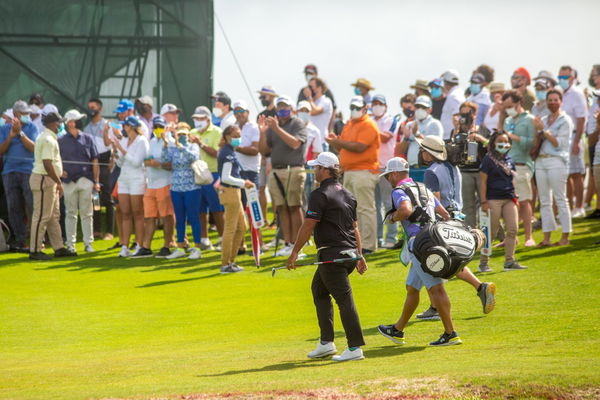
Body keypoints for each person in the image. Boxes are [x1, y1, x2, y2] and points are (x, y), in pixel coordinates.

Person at [286, 152, 368, 361]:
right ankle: (326, 343)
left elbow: (308, 225)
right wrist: (359, 255)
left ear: (324, 170)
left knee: (344, 300)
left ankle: (355, 347)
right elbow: (355, 228)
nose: (314, 171)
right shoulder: (348, 194)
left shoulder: (319, 194)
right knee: (319, 290)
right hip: (348, 255)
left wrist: (294, 252)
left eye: (316, 167)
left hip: (332, 256)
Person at [377, 157, 462, 346]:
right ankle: (398, 330)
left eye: (388, 176)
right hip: (432, 238)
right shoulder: (423, 188)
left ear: (395, 174)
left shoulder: (399, 191)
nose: (388, 179)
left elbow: (405, 210)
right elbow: (444, 214)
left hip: (420, 245)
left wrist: (392, 218)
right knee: (412, 288)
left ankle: (451, 333)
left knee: (437, 289)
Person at [414, 136, 496, 320]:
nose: (421, 153)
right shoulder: (453, 167)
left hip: (441, 221)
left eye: (423, 150)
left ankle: (438, 306)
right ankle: (478, 288)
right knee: (450, 262)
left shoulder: (431, 172)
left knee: (431, 261)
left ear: (429, 153)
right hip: (458, 217)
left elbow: (435, 200)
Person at [326, 96, 380, 253]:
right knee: (351, 211)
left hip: (364, 171)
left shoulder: (368, 124)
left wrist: (338, 142)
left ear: (365, 108)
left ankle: (368, 245)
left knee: (364, 209)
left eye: (357, 108)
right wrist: (335, 142)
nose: (354, 110)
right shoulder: (349, 124)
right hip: (349, 171)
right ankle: (356, 243)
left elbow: (359, 147)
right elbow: (343, 148)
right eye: (352, 107)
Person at [259, 96, 308, 257]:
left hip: (293, 169)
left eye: (285, 107)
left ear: (291, 109)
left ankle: (297, 246)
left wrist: (277, 129)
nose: (282, 110)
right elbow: (264, 151)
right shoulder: (274, 126)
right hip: (276, 170)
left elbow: (295, 143)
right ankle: (287, 243)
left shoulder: (297, 123)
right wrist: (263, 133)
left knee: (294, 206)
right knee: (282, 208)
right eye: (279, 107)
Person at [28, 111, 77, 260]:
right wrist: (58, 182)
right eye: (58, 122)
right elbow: (47, 163)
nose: (60, 125)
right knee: (41, 216)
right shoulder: (48, 139)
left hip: (47, 179)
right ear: (53, 123)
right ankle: (35, 250)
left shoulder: (46, 137)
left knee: (53, 216)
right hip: (45, 179)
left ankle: (58, 247)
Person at [479, 131, 527, 271]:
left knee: (513, 229)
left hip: (509, 198)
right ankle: (483, 263)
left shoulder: (509, 159)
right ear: (493, 143)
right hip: (493, 199)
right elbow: (482, 182)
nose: (504, 144)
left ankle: (509, 262)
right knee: (491, 233)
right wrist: (483, 201)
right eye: (500, 141)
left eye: (506, 142)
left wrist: (515, 195)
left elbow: (512, 179)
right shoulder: (488, 160)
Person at [532, 89, 573, 247]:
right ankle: (546, 238)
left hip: (557, 160)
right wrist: (537, 130)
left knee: (560, 199)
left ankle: (565, 237)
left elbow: (558, 144)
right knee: (544, 201)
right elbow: (536, 141)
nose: (552, 102)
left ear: (561, 101)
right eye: (550, 100)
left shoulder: (565, 120)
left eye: (556, 100)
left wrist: (543, 130)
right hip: (540, 160)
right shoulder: (543, 119)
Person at [59, 109, 100, 253]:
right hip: (68, 181)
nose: (72, 123)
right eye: (70, 121)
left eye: (75, 121)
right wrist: (60, 172)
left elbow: (95, 160)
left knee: (87, 214)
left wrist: (96, 181)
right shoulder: (61, 140)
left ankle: (88, 244)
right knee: (70, 213)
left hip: (86, 179)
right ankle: (71, 245)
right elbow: (56, 159)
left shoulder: (88, 138)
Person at [0, 100, 38, 252]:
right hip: (9, 172)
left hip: (28, 171)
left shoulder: (32, 127)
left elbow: (33, 148)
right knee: (13, 206)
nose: (27, 115)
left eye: (28, 113)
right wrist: (11, 136)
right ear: (15, 114)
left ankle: (36, 239)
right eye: (24, 113)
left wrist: (20, 133)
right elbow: (1, 150)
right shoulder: (4, 129)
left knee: (32, 205)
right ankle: (20, 240)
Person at [161, 122, 202, 260]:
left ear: (188, 135)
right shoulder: (173, 148)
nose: (182, 136)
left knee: (193, 217)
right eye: (179, 134)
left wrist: (181, 146)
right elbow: (165, 160)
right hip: (176, 187)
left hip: (192, 187)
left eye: (184, 134)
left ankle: (197, 247)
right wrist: (166, 144)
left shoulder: (193, 146)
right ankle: (180, 247)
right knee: (179, 218)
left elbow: (194, 157)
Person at [500, 90, 536, 247]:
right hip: (506, 166)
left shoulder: (529, 120)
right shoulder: (507, 120)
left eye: (510, 105)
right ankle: (510, 238)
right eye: (506, 106)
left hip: (522, 164)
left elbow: (532, 143)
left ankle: (529, 237)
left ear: (518, 102)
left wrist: (513, 137)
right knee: (508, 203)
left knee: (524, 201)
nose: (508, 109)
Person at [218, 125, 255, 273]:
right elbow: (225, 177)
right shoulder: (227, 153)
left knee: (241, 227)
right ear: (227, 137)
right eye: (235, 136)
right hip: (230, 192)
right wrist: (243, 183)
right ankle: (225, 264)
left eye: (239, 135)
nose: (238, 138)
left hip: (234, 191)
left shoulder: (229, 151)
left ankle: (231, 261)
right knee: (230, 228)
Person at [136, 116, 175, 258]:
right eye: (155, 127)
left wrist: (158, 164)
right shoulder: (152, 141)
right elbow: (147, 159)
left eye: (160, 127)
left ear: (165, 127)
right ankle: (146, 247)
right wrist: (149, 162)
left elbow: (173, 164)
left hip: (165, 183)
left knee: (167, 216)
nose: (158, 129)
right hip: (151, 183)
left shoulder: (171, 142)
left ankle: (167, 245)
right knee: (149, 217)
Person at [112, 116, 149, 258]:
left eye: (125, 125)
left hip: (137, 179)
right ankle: (125, 246)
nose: (123, 127)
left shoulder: (142, 141)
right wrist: (117, 153)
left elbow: (136, 162)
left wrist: (122, 150)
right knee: (125, 213)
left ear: (131, 127)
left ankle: (139, 245)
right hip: (124, 179)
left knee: (138, 213)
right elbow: (121, 163)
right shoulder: (124, 140)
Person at [190, 106, 224, 251]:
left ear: (208, 119)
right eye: (196, 119)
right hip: (196, 175)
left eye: (201, 118)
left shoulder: (217, 132)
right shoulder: (192, 132)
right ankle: (204, 239)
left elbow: (217, 153)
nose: (198, 121)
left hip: (213, 174)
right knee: (200, 209)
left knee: (217, 209)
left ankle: (222, 238)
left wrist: (200, 144)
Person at [452, 101, 490, 229]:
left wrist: (479, 138)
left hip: (481, 172)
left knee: (486, 202)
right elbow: (451, 148)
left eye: (468, 114)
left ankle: (493, 233)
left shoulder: (483, 130)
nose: (465, 117)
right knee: (468, 205)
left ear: (475, 114)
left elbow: (492, 146)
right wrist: (456, 129)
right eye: (462, 114)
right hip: (464, 172)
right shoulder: (456, 131)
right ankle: (472, 232)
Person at [558, 65, 588, 218]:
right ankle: (568, 207)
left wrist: (577, 142)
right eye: (560, 77)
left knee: (576, 174)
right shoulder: (560, 93)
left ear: (572, 77)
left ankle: (579, 207)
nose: (562, 80)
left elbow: (582, 119)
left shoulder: (576, 93)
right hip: (562, 138)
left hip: (575, 136)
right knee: (566, 175)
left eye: (565, 77)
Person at [84, 98, 115, 241]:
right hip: (92, 163)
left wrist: (112, 160)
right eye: (89, 107)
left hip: (105, 162)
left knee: (107, 198)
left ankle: (110, 231)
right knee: (94, 197)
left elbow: (112, 144)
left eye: (93, 107)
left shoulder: (107, 124)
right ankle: (96, 230)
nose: (91, 110)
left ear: (100, 109)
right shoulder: (87, 128)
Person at [233, 100, 261, 251]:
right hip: (237, 172)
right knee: (240, 210)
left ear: (247, 112)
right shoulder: (234, 127)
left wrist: (236, 148)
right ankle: (241, 244)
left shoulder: (254, 127)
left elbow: (255, 150)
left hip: (250, 172)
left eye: (241, 111)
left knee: (253, 210)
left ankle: (259, 245)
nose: (239, 114)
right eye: (236, 112)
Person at [371, 94, 399, 249]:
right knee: (375, 206)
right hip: (372, 168)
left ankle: (391, 237)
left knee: (389, 204)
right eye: (374, 103)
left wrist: (369, 129)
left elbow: (386, 137)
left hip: (386, 168)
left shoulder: (391, 120)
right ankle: (378, 237)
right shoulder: (370, 120)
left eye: (379, 103)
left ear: (385, 106)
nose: (377, 106)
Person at [257, 85, 278, 228]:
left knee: (273, 190)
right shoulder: (261, 115)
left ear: (271, 97)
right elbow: (260, 136)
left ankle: (276, 220)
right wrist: (262, 155)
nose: (261, 99)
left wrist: (272, 158)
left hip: (274, 157)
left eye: (263, 96)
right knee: (261, 188)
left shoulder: (277, 113)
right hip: (263, 157)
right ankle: (264, 220)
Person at [404, 96, 443, 168]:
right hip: (411, 167)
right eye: (417, 107)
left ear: (430, 110)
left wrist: (417, 134)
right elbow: (401, 151)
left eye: (423, 107)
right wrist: (406, 138)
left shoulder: (435, 124)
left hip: (428, 166)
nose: (419, 110)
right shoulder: (409, 124)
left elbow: (437, 147)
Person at [304, 77, 333, 147]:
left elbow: (315, 111)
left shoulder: (326, 101)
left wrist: (309, 97)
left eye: (311, 87)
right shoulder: (310, 102)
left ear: (319, 88)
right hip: (309, 142)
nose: (309, 89)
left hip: (321, 142)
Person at [440, 70, 465, 140]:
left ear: (445, 82)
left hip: (450, 137)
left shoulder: (453, 96)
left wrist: (454, 138)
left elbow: (457, 118)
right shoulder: (456, 93)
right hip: (449, 136)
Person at [395, 94, 416, 158]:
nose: (407, 110)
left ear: (415, 106)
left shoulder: (421, 123)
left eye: (409, 108)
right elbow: (398, 147)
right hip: (404, 160)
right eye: (404, 108)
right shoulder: (402, 125)